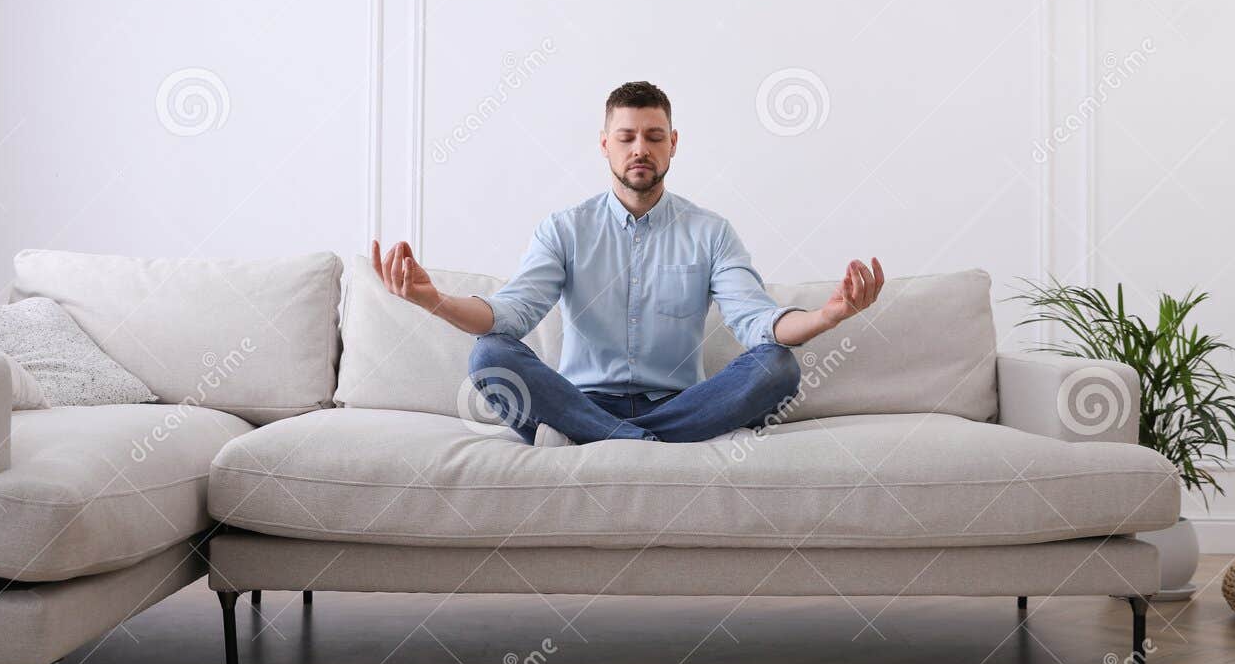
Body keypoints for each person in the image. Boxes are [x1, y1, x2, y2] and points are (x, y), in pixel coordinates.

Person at [372, 80, 886, 445]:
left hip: (680, 405)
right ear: (605, 145)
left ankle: (607, 443)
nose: (640, 149)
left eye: (654, 137)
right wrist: (432, 299)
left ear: (673, 145)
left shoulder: (710, 232)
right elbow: (510, 315)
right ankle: (641, 442)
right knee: (490, 357)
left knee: (777, 366)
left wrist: (829, 315)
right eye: (626, 137)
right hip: (579, 403)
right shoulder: (565, 229)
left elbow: (758, 323)